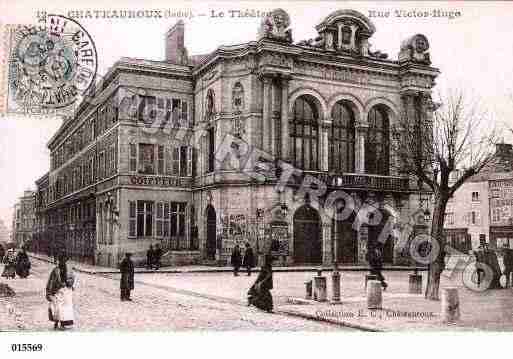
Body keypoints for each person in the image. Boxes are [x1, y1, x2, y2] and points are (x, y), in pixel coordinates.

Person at [46, 254, 75, 330]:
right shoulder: (55, 270)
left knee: (66, 308)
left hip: (66, 291)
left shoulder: (69, 269)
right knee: (57, 307)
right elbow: (51, 281)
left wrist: (68, 283)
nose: (62, 262)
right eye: (61, 260)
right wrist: (49, 292)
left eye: (64, 260)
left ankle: (63, 323)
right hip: (57, 291)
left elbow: (72, 278)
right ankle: (56, 321)